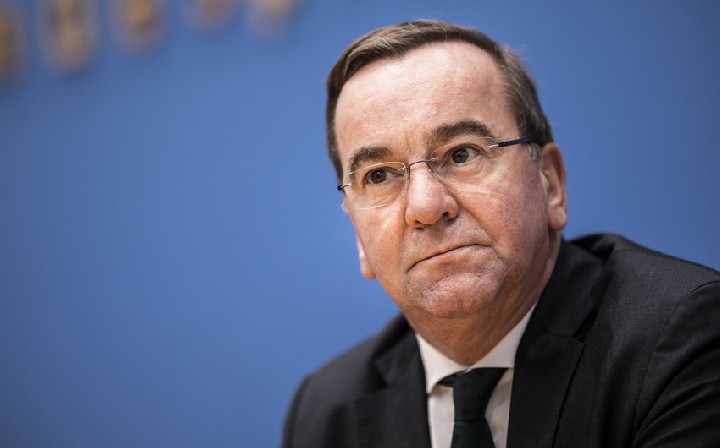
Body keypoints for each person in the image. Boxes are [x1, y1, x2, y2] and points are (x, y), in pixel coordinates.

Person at [281, 20, 720, 448]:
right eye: (378, 176)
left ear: (550, 183)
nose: (426, 207)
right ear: (359, 235)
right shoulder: (325, 412)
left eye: (461, 154)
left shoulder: (680, 338)